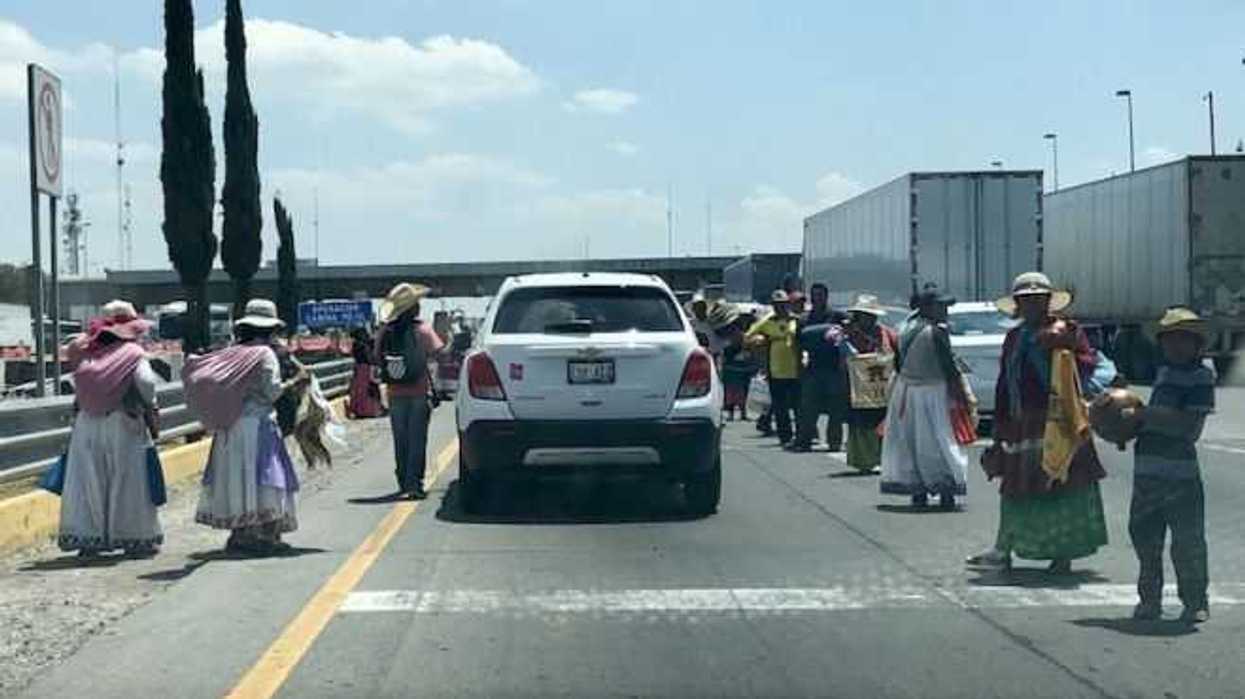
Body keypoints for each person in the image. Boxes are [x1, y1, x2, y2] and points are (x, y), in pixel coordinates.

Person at [969, 272, 1108, 574]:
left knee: (1062, 484)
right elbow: (1006, 381)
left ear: (1048, 302)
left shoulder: (1067, 331)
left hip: (1060, 421)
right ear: (1018, 305)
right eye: (1026, 300)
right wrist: (1000, 425)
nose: (1033, 305)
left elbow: (1085, 368)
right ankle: (1003, 549)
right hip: (1024, 424)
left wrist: (1062, 347)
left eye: (1038, 299)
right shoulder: (1015, 337)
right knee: (1017, 488)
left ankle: (1063, 553)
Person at [188, 299, 308, 556]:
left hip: (229, 427)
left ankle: (241, 533)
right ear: (271, 329)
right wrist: (295, 382)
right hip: (257, 424)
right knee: (263, 478)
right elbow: (272, 391)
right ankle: (263, 535)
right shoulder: (264, 354)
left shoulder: (232, 353)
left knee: (237, 478)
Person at [1127, 307, 1215, 623]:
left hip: (1181, 477)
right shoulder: (1164, 373)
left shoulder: (1201, 377)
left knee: (1187, 543)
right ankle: (1149, 601)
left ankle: (1195, 601)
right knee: (1145, 540)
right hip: (1147, 474)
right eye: (1170, 340)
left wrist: (1143, 414)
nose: (1175, 346)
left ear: (1196, 344)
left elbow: (1189, 427)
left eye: (1183, 340)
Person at [57, 300, 163, 558]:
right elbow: (147, 384)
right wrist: (151, 407)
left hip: (86, 423)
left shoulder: (84, 350)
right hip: (123, 421)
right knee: (127, 478)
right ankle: (132, 537)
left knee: (89, 479)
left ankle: (89, 538)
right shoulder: (132, 353)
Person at [879, 283, 972, 509]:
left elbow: (898, 364)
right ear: (928, 307)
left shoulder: (904, 329)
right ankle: (945, 489)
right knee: (940, 440)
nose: (945, 312)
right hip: (934, 392)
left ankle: (918, 490)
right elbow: (949, 368)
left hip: (907, 392)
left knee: (912, 441)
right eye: (941, 307)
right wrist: (963, 396)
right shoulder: (936, 332)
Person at [375, 282, 446, 500]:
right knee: (417, 439)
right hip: (418, 390)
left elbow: (377, 357)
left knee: (401, 439)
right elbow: (439, 352)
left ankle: (402, 480)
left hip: (395, 393)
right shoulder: (423, 329)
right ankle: (414, 484)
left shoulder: (386, 331)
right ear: (415, 308)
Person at [839, 295, 898, 473]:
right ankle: (865, 462)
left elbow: (898, 355)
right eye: (863, 315)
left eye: (870, 315)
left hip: (885, 389)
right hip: (860, 389)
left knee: (885, 423)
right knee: (862, 424)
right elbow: (844, 360)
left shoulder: (888, 334)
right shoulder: (849, 336)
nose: (867, 319)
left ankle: (885, 459)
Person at [789, 282, 850, 453]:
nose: (818, 298)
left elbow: (851, 329)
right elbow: (797, 346)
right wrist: (799, 368)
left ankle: (834, 442)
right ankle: (804, 440)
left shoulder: (836, 316)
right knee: (808, 407)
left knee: (836, 409)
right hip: (813, 368)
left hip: (835, 369)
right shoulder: (804, 320)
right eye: (814, 295)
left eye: (821, 295)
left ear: (826, 296)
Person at [747, 290, 801, 445]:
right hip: (775, 369)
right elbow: (748, 337)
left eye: (783, 304)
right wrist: (761, 339)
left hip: (796, 368)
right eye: (777, 305)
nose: (780, 308)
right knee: (780, 407)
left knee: (798, 406)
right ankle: (785, 436)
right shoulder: (767, 321)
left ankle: (802, 435)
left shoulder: (796, 320)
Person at [346, 326, 386, 418]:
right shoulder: (362, 345)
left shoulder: (359, 345)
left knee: (362, 391)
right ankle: (370, 410)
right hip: (366, 370)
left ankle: (362, 410)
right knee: (369, 390)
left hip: (361, 370)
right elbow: (370, 358)